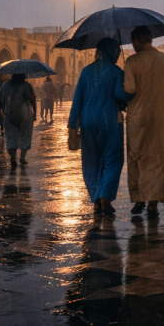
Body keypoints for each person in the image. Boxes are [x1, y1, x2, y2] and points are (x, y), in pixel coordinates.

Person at [123, 26, 164, 219]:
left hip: (139, 121)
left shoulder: (132, 62)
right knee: (159, 161)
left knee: (139, 159)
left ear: (137, 41)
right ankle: (153, 204)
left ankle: (140, 199)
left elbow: (130, 89)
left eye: (133, 42)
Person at [69, 38, 132, 216]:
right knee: (112, 160)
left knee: (91, 161)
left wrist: (72, 127)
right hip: (110, 121)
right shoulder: (115, 71)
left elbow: (77, 101)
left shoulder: (86, 71)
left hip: (88, 122)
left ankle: (96, 199)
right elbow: (121, 95)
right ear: (112, 52)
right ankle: (105, 197)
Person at [0, 73, 37, 168]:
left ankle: (13, 158)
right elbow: (32, 100)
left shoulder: (5, 85)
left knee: (11, 136)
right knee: (25, 135)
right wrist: (34, 114)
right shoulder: (26, 86)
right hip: (24, 114)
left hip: (9, 114)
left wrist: (4, 108)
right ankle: (22, 158)